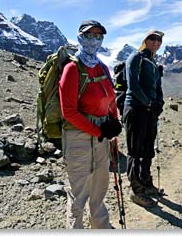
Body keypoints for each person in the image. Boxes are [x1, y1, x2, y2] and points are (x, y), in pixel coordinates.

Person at [59, 19, 121, 229]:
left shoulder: (102, 67)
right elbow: (68, 112)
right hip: (79, 136)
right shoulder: (72, 69)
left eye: (98, 36)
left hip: (102, 134)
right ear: (79, 37)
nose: (94, 40)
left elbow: (110, 97)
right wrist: (98, 131)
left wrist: (114, 120)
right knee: (78, 194)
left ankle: (101, 228)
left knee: (99, 188)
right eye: (89, 35)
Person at [123, 30, 165, 207]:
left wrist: (159, 103)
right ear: (145, 40)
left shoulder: (153, 62)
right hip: (136, 109)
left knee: (148, 149)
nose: (156, 42)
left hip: (149, 111)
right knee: (135, 151)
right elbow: (132, 84)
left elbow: (157, 86)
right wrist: (148, 103)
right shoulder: (136, 57)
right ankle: (136, 190)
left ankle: (147, 184)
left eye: (159, 40)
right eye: (153, 38)